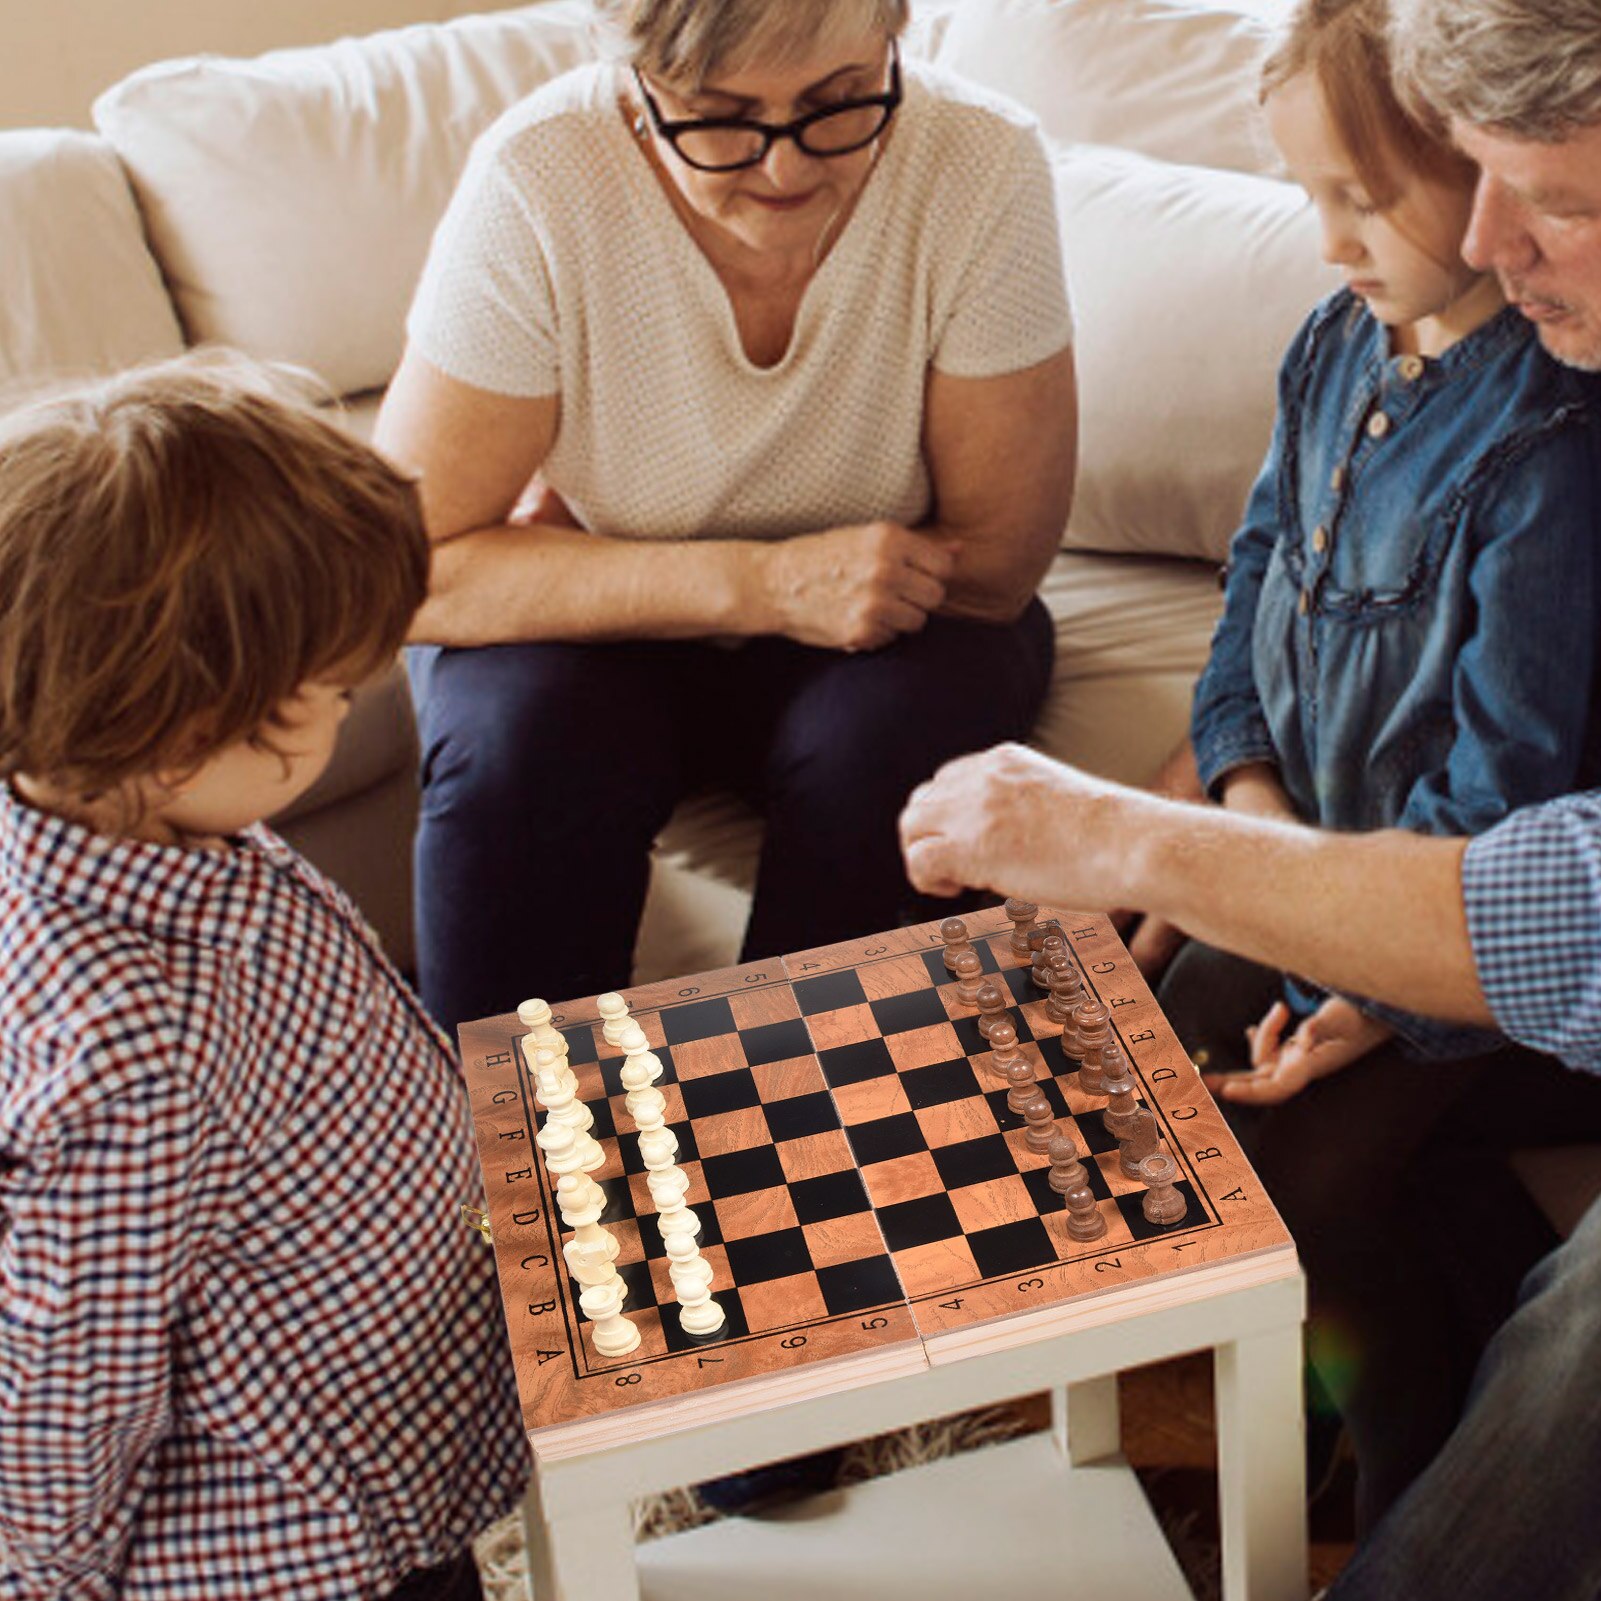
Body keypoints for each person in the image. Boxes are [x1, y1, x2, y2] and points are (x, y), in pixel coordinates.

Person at [374, 0, 1076, 1039]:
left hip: (886, 634)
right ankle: (516, 1170)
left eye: (839, 101)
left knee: (879, 744)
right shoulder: (540, 174)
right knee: (521, 743)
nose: (786, 170)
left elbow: (995, 561)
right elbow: (401, 571)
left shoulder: (977, 160)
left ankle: (789, 1135)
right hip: (610, 622)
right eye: (720, 117)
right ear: (635, 81)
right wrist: (761, 583)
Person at [1133, 0, 1601, 1533]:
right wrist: (1251, 826)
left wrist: (1352, 972)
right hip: (1302, 879)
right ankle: (1277, 1414)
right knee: (1145, 1047)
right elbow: (1251, 584)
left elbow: (1510, 785)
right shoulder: (1332, 346)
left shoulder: (1546, 438)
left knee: (1309, 1172)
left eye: (1363, 196)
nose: (1332, 238)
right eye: (1308, 196)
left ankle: (1394, 1473)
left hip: (1440, 928)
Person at [0, 356, 528, 1600]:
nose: (350, 711)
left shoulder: (156, 821)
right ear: (193, 725)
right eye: (331, 694)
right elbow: (70, 1384)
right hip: (300, 1532)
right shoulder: (128, 1044)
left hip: (385, 1399)